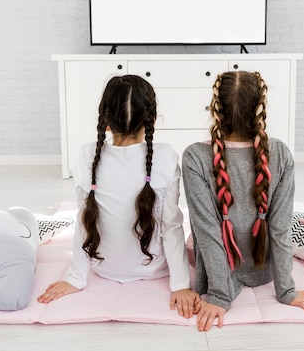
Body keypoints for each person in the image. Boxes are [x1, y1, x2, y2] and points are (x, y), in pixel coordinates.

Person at [38, 75, 200, 319]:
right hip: (155, 269)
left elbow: (83, 219)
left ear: (105, 121)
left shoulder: (87, 154)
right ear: (152, 120)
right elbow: (172, 227)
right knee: (191, 241)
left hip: (103, 267)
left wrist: (75, 278)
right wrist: (182, 286)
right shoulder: (165, 156)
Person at [182, 70, 304, 331]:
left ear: (216, 110)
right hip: (265, 269)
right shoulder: (280, 153)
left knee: (194, 237)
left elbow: (207, 232)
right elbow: (280, 227)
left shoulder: (195, 156)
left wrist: (218, 294)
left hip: (218, 276)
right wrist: (286, 290)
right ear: (260, 109)